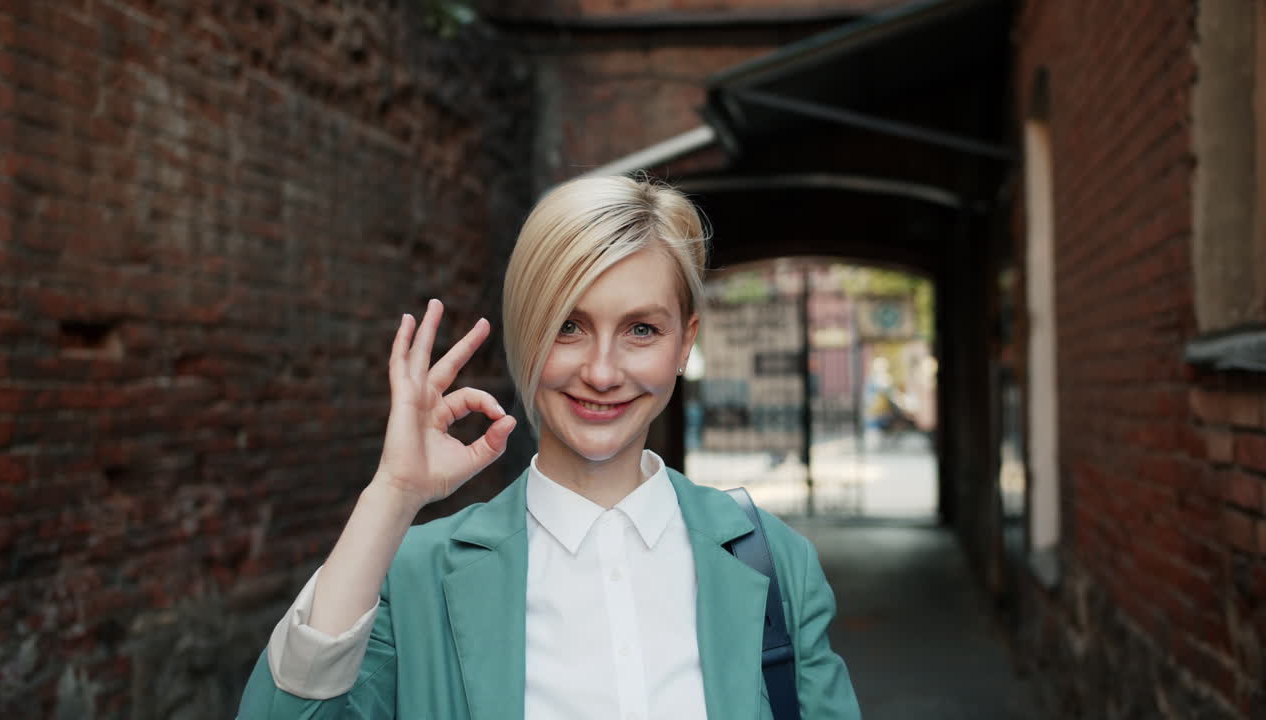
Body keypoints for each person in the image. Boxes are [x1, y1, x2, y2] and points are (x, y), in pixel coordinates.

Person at [237, 175, 862, 719]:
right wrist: (392, 495)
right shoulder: (414, 578)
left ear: (684, 343)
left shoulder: (774, 563)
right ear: (527, 332)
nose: (601, 370)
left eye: (641, 329)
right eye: (569, 325)